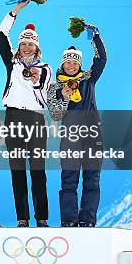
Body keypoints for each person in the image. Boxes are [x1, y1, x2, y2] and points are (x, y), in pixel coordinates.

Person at [0, 0, 52, 227]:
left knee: (38, 171)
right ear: (18, 47)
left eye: (31, 45)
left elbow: (48, 100)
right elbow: (0, 35)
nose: (26, 48)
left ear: (37, 48)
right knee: (17, 170)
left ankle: (41, 219)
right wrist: (16, 9)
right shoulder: (12, 63)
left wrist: (38, 82)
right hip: (13, 118)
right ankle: (22, 218)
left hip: (36, 119)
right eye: (23, 44)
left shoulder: (46, 69)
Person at [47, 25, 106, 227]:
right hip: (70, 137)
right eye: (68, 62)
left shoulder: (88, 80)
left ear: (79, 65)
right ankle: (69, 220)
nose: (71, 65)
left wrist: (95, 38)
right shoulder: (55, 87)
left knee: (92, 180)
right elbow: (55, 114)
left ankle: (87, 220)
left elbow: (101, 60)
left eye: (75, 62)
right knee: (69, 180)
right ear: (62, 65)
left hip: (92, 135)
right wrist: (63, 97)